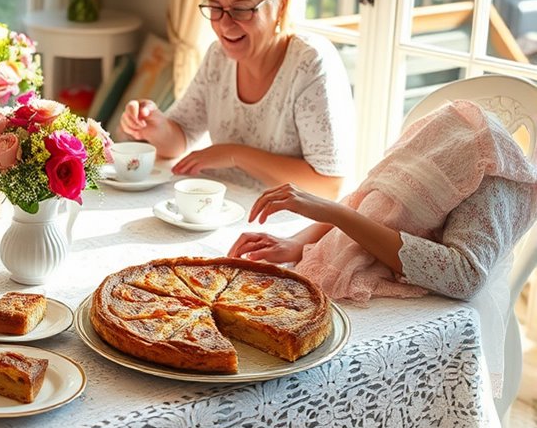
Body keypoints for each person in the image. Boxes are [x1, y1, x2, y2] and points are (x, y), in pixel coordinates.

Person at [229, 99, 537, 303]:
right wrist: (296, 242)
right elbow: (367, 203)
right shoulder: (439, 131)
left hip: (429, 311)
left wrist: (334, 212)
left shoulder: (488, 172)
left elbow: (465, 275)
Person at [119, 0, 354, 198]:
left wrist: (235, 154)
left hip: (281, 221)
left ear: (282, 5)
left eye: (241, 9)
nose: (224, 25)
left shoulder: (310, 63)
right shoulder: (218, 56)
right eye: (215, 8)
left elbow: (327, 187)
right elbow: (180, 136)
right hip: (219, 203)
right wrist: (154, 125)